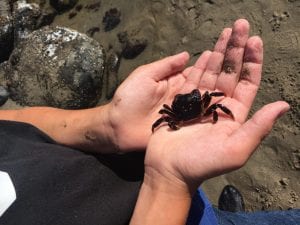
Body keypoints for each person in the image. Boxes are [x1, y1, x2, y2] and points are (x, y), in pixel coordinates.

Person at [0, 19, 298, 225]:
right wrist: (169, 186)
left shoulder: (174, 113)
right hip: (161, 192)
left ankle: (221, 215)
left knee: (216, 214)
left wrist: (107, 124)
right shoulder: (185, 113)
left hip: (160, 183)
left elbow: (14, 124)